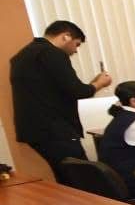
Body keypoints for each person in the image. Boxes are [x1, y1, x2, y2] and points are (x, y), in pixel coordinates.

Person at [9, 20, 111, 176]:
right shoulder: (52, 53)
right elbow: (78, 91)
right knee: (84, 177)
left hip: (34, 129)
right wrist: (100, 84)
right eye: (77, 44)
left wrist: (93, 84)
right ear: (66, 37)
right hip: (55, 129)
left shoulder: (23, 55)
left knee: (66, 175)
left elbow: (62, 90)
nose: (75, 51)